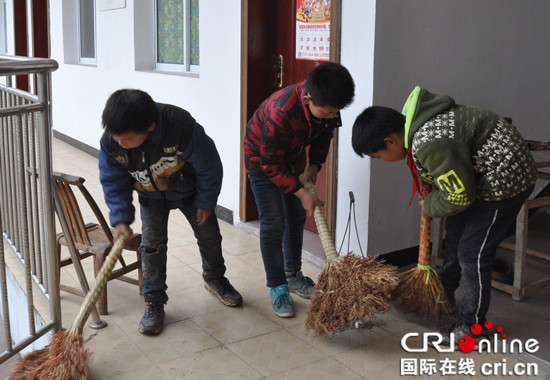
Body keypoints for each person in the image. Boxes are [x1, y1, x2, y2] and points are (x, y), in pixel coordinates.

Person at [351, 86, 537, 346]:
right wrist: (435, 195)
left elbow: (460, 195)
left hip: (504, 182)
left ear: (390, 141)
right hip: (477, 177)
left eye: (378, 156)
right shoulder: (414, 126)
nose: (382, 160)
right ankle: (444, 292)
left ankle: (472, 325)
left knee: (473, 252)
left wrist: (430, 205)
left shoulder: (429, 142)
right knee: (454, 233)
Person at [99, 89, 243, 335]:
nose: (121, 144)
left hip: (191, 192)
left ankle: (215, 278)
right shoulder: (113, 142)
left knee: (209, 235)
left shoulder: (181, 127)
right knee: (152, 246)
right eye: (116, 137)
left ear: (151, 128)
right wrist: (121, 218)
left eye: (129, 140)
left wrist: (206, 203)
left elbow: (210, 166)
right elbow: (113, 180)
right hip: (149, 194)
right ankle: (154, 300)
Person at [244, 62, 355, 318]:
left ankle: (293, 275)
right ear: (307, 98)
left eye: (334, 113)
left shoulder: (329, 105)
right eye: (326, 112)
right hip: (263, 164)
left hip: (293, 159)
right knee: (273, 224)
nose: (331, 116)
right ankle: (277, 286)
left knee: (295, 218)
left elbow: (324, 136)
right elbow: (269, 164)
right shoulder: (280, 112)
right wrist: (303, 193)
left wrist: (316, 164)